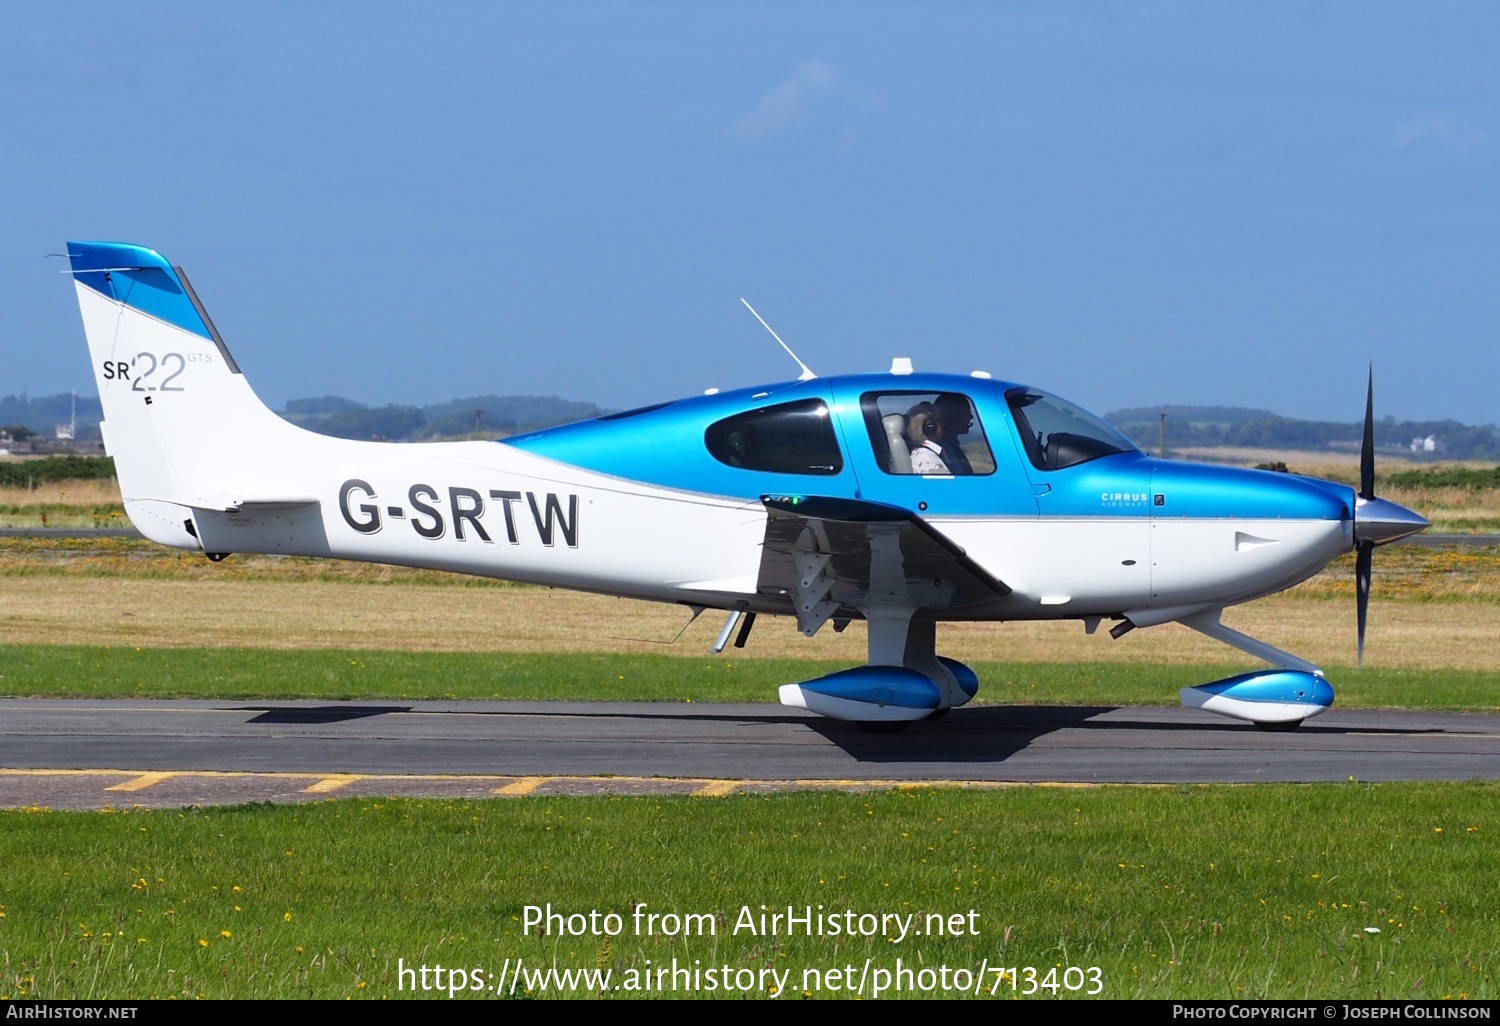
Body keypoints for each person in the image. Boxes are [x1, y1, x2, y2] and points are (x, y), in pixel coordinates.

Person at [931, 393, 975, 474]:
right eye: (967, 411)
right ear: (953, 415)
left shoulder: (951, 445)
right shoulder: (941, 450)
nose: (971, 416)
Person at [905, 401, 950, 474]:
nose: (945, 424)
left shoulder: (928, 453)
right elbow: (945, 484)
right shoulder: (926, 458)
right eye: (941, 421)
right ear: (930, 427)